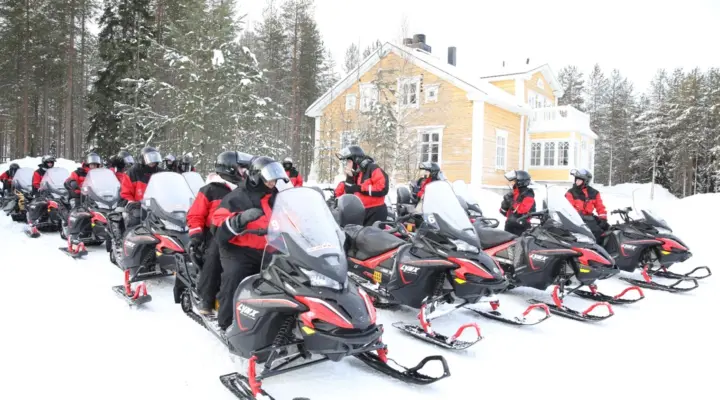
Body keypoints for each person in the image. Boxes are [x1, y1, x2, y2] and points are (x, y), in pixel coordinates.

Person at [211, 156, 288, 332]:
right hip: (238, 250)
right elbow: (217, 226)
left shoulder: (276, 197)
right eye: (269, 178)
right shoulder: (236, 197)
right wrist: (240, 220)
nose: (273, 182)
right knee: (235, 276)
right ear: (256, 176)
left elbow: (291, 216)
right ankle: (227, 323)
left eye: (275, 179)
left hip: (269, 248)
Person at [188, 151, 252, 315]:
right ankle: (206, 298)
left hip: (243, 233)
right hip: (216, 233)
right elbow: (196, 215)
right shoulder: (210, 189)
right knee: (215, 254)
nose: (245, 171)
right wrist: (196, 235)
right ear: (230, 169)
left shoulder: (246, 189)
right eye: (242, 168)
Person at [335, 145, 389, 226]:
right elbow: (349, 193)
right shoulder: (358, 173)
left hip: (375, 212)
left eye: (349, 161)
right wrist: (349, 177)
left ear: (356, 160)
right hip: (361, 211)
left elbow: (383, 188)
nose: (347, 164)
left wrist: (360, 188)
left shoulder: (373, 168)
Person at [63, 153, 103, 253]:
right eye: (92, 164)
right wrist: (72, 182)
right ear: (88, 164)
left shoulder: (100, 174)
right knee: (77, 210)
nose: (93, 166)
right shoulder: (79, 172)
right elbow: (68, 180)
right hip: (79, 196)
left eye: (95, 164)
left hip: (95, 197)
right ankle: (73, 234)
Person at [120, 146, 162, 229]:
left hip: (158, 206)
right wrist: (131, 202)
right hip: (139, 206)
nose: (152, 163)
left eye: (154, 159)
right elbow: (126, 192)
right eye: (149, 159)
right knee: (135, 219)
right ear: (142, 159)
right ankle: (130, 238)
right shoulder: (134, 171)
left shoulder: (161, 172)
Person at [565, 168, 608, 242]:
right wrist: (578, 215)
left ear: (585, 181)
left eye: (579, 180)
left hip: (589, 218)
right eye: (576, 179)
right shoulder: (570, 192)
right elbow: (569, 208)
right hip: (576, 219)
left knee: (605, 230)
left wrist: (603, 219)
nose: (577, 181)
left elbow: (600, 207)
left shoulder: (594, 193)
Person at [499, 170, 536, 236]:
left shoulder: (528, 195)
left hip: (521, 227)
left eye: (515, 181)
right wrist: (504, 205)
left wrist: (510, 202)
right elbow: (506, 213)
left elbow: (521, 210)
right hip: (510, 226)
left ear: (520, 182)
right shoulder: (515, 193)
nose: (513, 183)